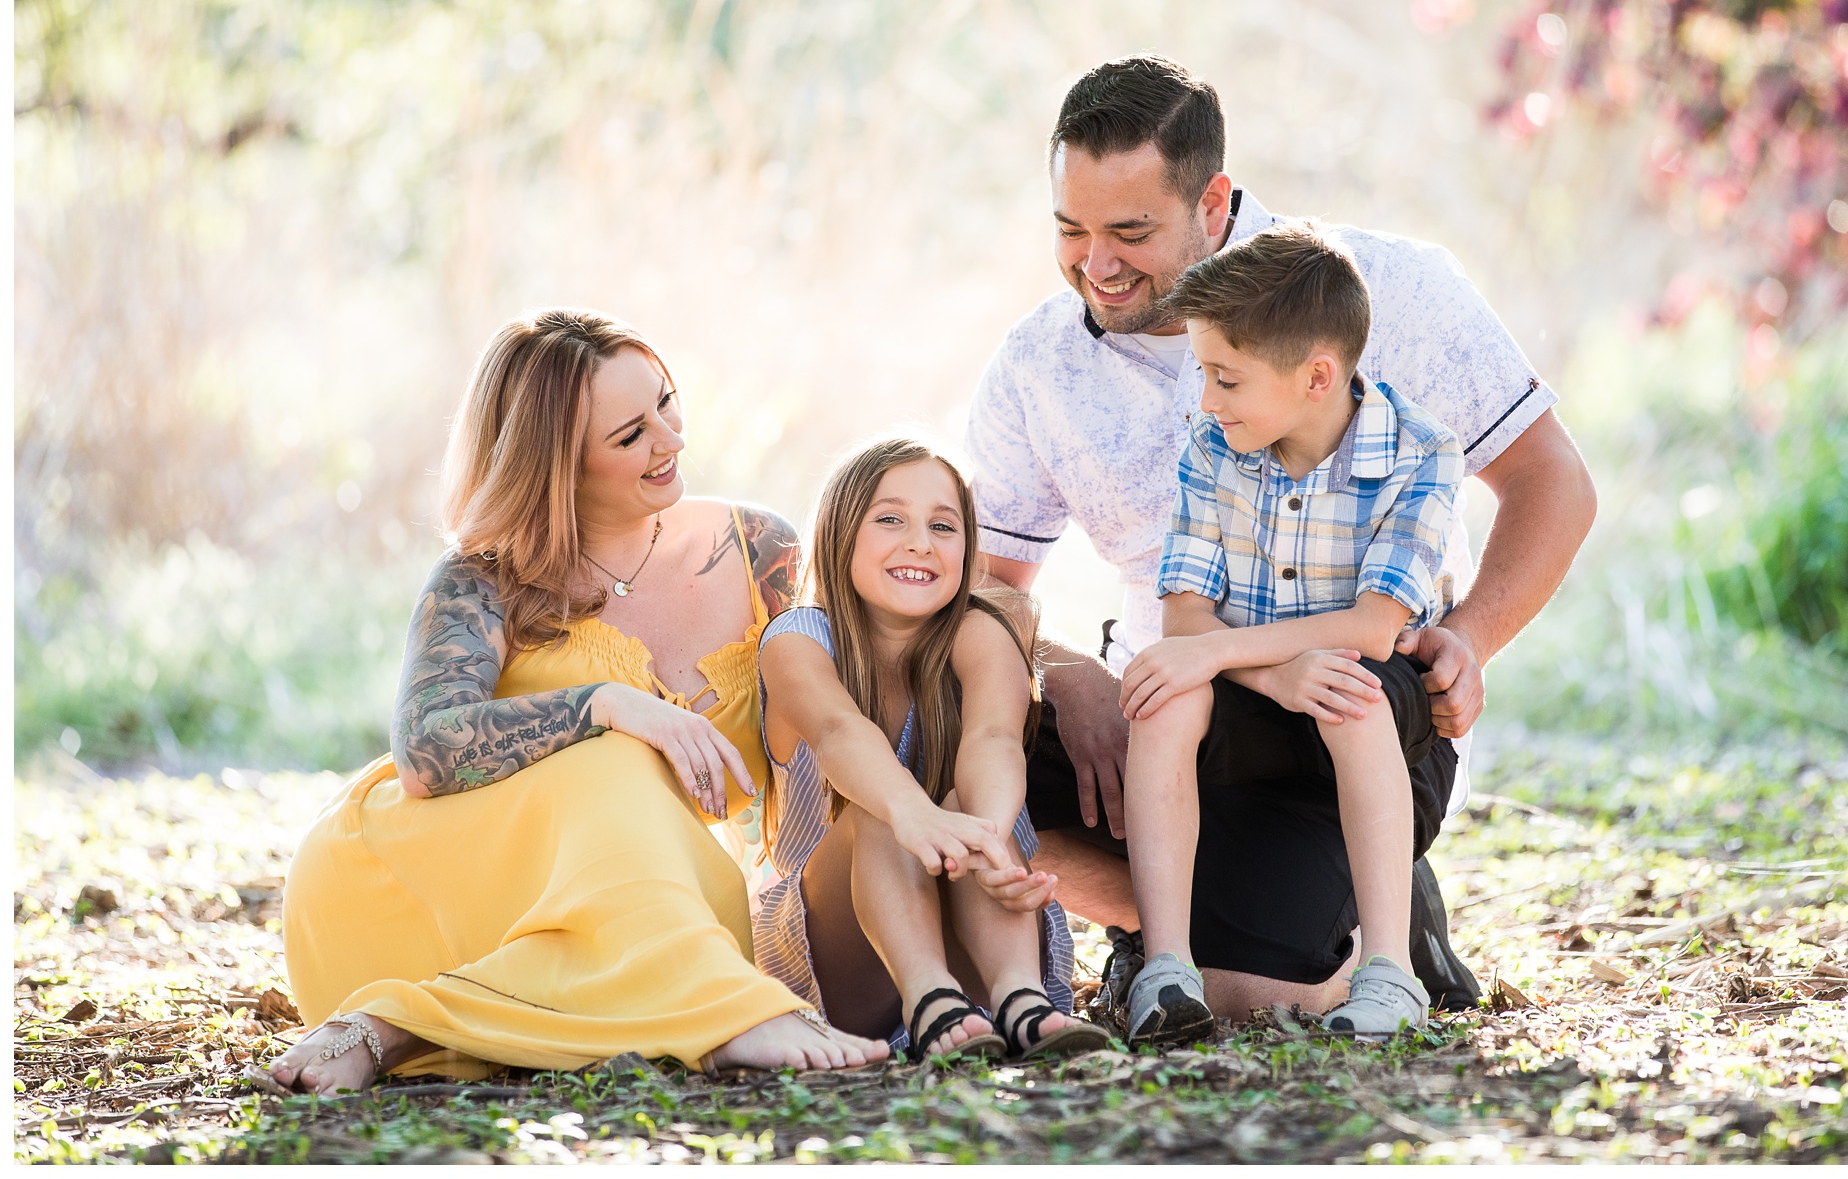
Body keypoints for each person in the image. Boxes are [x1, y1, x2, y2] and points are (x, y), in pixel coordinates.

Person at [965, 53, 1597, 1022]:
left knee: (1258, 993)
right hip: (1164, 699)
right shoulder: (1036, 363)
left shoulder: (1385, 288)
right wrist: (1062, 668)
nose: (1096, 264)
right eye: (1069, 230)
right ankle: (1169, 921)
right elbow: (981, 587)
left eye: (1130, 231)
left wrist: (1468, 636)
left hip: (1345, 707)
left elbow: (1550, 481)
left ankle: (1363, 924)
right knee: (933, 745)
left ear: (1211, 201)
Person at [261, 309, 888, 1095]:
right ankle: (722, 1012)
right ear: (556, 465)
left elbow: (854, 689)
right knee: (620, 757)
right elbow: (425, 749)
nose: (670, 439)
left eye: (668, 402)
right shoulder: (484, 578)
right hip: (423, 883)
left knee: (666, 885)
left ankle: (393, 1026)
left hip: (646, 907)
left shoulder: (760, 549)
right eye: (630, 435)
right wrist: (607, 704)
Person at [1117, 222, 1459, 1044]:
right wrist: (1268, 674)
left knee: (1350, 691)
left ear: (1316, 377)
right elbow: (1186, 616)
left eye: (1225, 378)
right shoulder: (1215, 445)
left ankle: (1391, 971)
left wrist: (1230, 653)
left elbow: (1375, 626)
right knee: (1167, 696)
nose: (1207, 399)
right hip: (1259, 693)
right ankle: (1163, 969)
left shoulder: (1421, 453)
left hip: (1382, 696)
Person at [755, 440, 1110, 1062]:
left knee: (967, 807)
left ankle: (1020, 999)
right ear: (841, 537)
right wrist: (913, 816)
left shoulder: (981, 632)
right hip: (844, 953)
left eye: (942, 526)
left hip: (974, 924)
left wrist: (991, 840)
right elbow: (841, 732)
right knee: (884, 806)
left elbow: (993, 741)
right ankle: (929, 1001)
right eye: (891, 519)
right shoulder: (798, 639)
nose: (920, 542)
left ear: (967, 550)